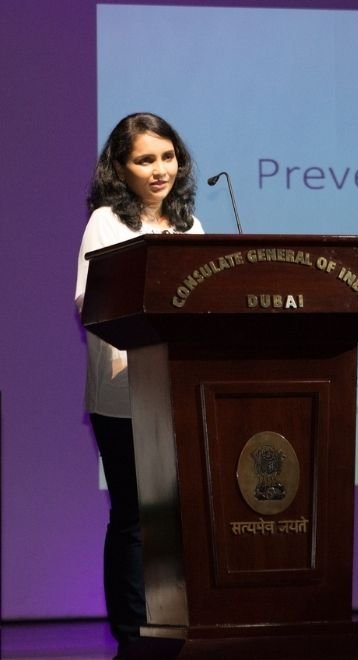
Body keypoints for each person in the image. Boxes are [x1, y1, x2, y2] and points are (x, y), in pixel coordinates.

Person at [74, 113, 205, 655]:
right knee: (133, 520)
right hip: (124, 396)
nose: (160, 170)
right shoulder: (107, 222)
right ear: (121, 168)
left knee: (177, 521)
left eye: (167, 157)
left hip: (178, 393)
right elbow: (89, 300)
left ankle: (176, 627)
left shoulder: (189, 224)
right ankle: (133, 638)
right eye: (145, 160)